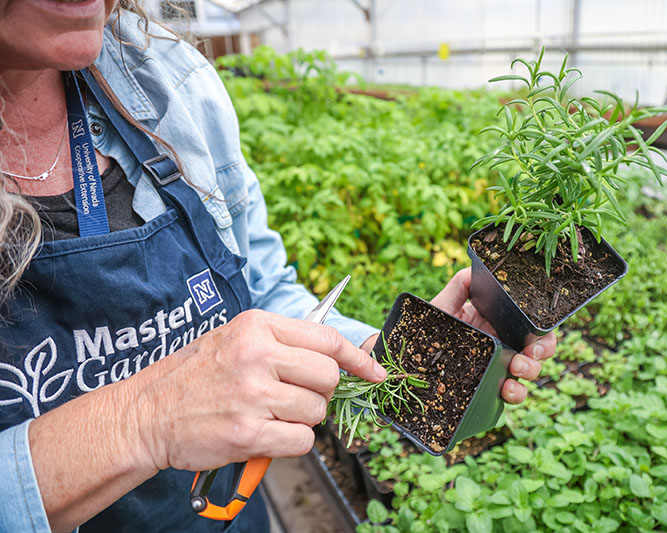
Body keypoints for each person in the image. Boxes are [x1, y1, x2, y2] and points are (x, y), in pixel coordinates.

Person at [0, 2, 557, 532]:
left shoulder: (165, 77)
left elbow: (258, 289)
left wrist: (389, 359)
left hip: (226, 514)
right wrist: (147, 418)